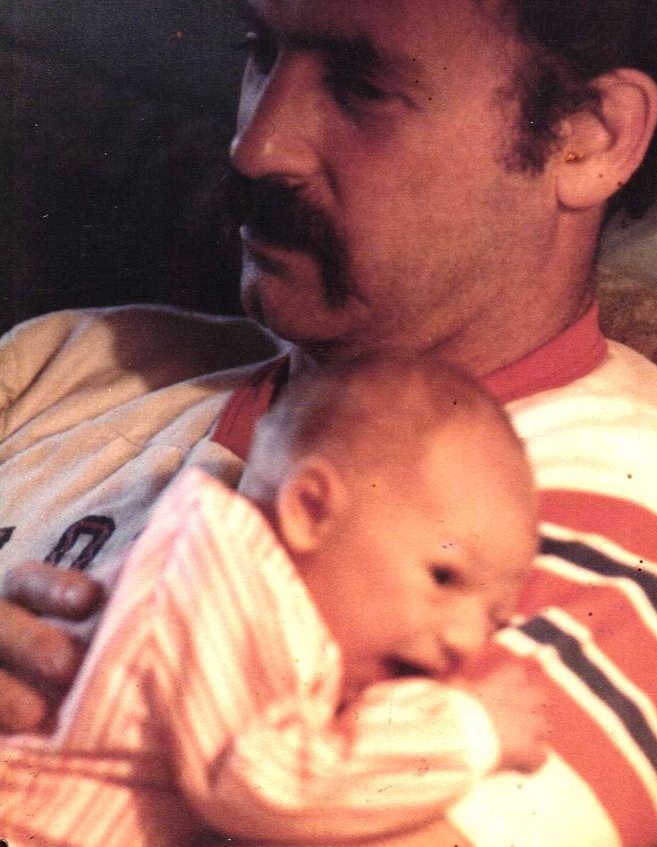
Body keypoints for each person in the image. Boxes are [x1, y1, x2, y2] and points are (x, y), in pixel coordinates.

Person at [0, 0, 657, 846]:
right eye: (261, 51)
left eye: (363, 85)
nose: (256, 143)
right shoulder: (68, 364)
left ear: (589, 136)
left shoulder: (637, 542)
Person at [0, 357, 547, 846]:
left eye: (494, 620)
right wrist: (467, 731)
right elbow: (261, 784)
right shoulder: (228, 581)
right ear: (309, 510)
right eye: (443, 576)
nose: (467, 641)